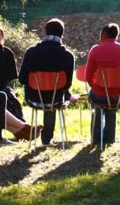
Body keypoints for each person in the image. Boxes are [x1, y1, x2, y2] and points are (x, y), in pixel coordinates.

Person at [19, 18, 78, 146]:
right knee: (53, 99)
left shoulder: (31, 52)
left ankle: (43, 138)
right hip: (55, 99)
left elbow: (22, 79)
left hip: (33, 98)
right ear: (62, 34)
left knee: (50, 96)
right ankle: (47, 139)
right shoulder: (68, 56)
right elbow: (67, 84)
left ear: (45, 32)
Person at [85, 23, 120, 146]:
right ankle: (109, 139)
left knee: (96, 101)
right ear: (116, 36)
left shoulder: (95, 50)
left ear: (103, 34)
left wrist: (96, 88)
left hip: (100, 94)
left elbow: (88, 76)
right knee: (112, 105)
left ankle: (96, 139)